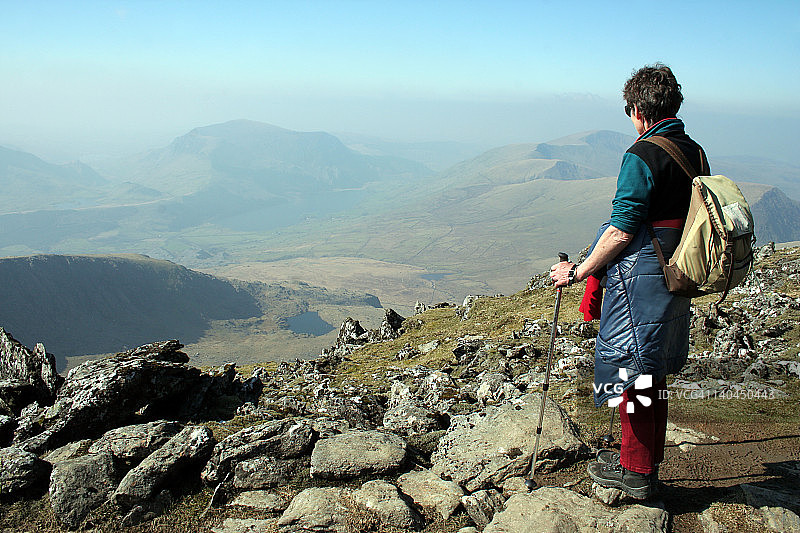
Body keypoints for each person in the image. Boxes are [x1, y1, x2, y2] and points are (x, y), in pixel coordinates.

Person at [549, 63, 708, 499]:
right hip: (677, 274)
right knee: (650, 370)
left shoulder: (642, 155)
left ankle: (637, 474)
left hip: (642, 281)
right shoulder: (693, 151)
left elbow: (621, 229)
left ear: (638, 109)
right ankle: (640, 459)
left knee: (631, 373)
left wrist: (578, 271)